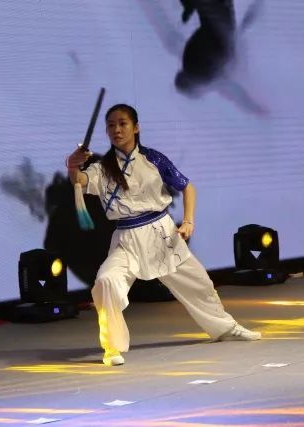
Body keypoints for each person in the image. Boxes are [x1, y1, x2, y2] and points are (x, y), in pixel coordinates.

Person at [66, 103, 261, 366]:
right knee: (106, 282)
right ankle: (112, 348)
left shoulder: (154, 159)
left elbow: (188, 187)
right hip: (126, 239)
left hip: (162, 235)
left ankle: (226, 328)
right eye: (111, 125)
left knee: (200, 284)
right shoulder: (102, 168)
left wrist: (188, 221)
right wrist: (72, 165)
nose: (116, 130)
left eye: (123, 124)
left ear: (136, 127)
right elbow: (79, 181)